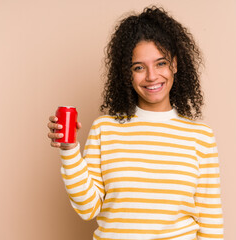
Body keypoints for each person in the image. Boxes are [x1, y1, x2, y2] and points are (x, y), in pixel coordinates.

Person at [47, 6, 224, 240]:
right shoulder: (105, 129)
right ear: (127, 74)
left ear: (175, 65)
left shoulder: (200, 137)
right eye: (139, 67)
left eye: (161, 63)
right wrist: (69, 151)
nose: (151, 76)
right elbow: (87, 208)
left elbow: (211, 224)